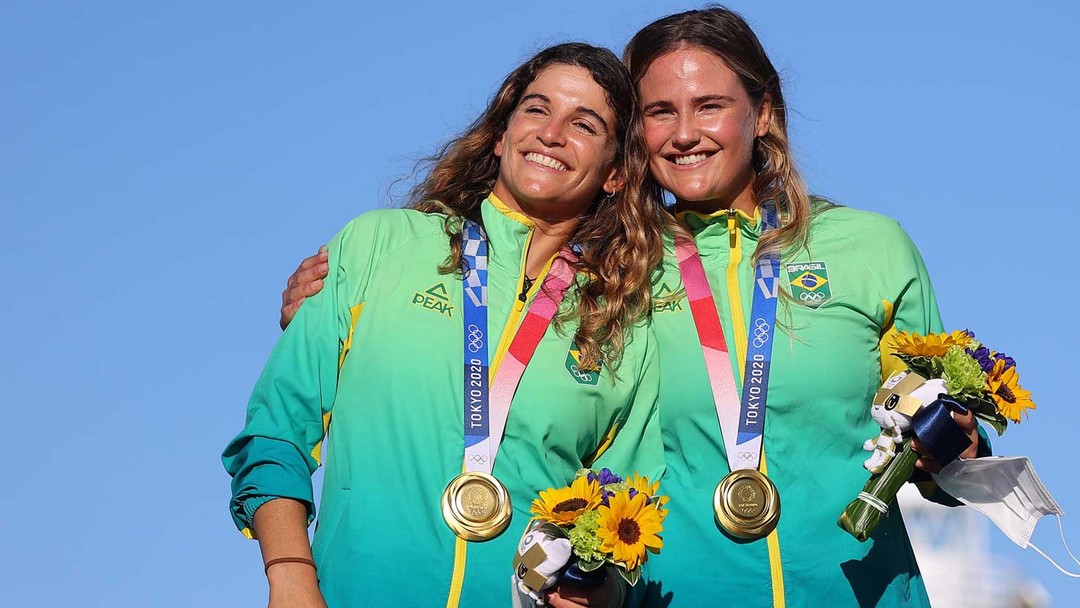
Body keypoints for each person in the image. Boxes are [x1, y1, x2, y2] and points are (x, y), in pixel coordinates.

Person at [280, 7, 990, 608]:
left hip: (857, 591)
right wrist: (332, 305)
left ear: (763, 113)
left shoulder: (872, 248)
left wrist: (954, 440)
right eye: (659, 112)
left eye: (709, 105)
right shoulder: (617, 272)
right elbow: (486, 364)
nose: (684, 133)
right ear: (634, 139)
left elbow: (943, 454)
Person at [225, 42, 668, 608]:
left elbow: (629, 503)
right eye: (536, 109)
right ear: (501, 134)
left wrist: (599, 589)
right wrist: (289, 573)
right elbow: (276, 428)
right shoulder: (378, 246)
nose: (551, 133)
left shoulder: (620, 320)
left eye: (583, 123)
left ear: (614, 172)